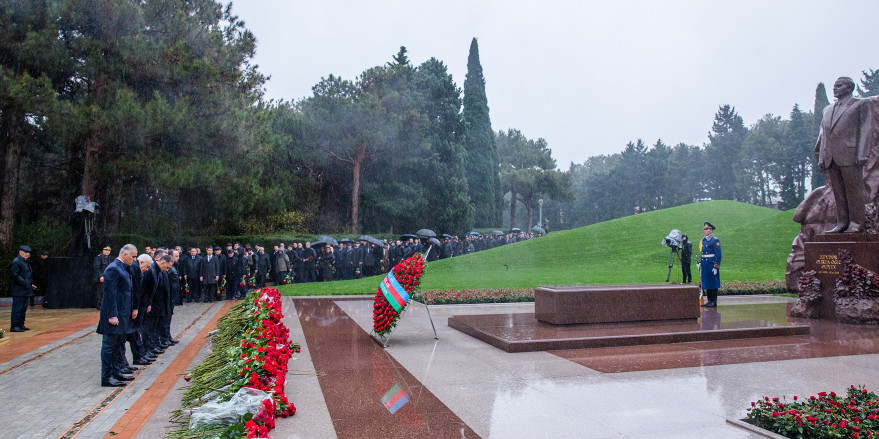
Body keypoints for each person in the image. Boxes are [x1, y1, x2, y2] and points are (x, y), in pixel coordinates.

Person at [814, 76, 874, 233]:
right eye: (834, 85)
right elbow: (825, 134)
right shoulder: (827, 110)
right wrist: (822, 156)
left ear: (849, 88)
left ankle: (857, 224)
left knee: (854, 191)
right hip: (831, 157)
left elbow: (866, 129)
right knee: (839, 193)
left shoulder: (860, 104)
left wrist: (863, 153)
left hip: (851, 155)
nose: (835, 88)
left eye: (839, 86)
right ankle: (842, 223)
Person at [96, 244, 137, 387]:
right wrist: (112, 315)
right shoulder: (113, 269)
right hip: (113, 316)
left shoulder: (123, 268)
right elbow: (109, 295)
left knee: (117, 345)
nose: (134, 260)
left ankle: (116, 371)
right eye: (133, 257)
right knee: (109, 347)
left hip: (122, 315)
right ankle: (107, 376)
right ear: (124, 254)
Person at [10, 245, 36, 332]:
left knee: (23, 308)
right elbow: (15, 275)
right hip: (18, 289)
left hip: (25, 289)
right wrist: (25, 283)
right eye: (25, 252)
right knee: (17, 308)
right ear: (20, 252)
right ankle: (15, 326)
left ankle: (21, 324)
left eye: (28, 253)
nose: (27, 254)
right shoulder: (16, 261)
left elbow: (26, 275)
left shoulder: (25, 261)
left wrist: (30, 284)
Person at [699, 222, 722, 308]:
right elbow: (703, 253)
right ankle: (709, 301)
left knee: (713, 283)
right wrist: (700, 261)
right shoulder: (704, 240)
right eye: (704, 229)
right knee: (707, 282)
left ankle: (713, 301)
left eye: (707, 229)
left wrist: (716, 266)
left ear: (711, 230)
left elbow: (718, 254)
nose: (705, 231)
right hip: (705, 264)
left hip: (711, 264)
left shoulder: (715, 240)